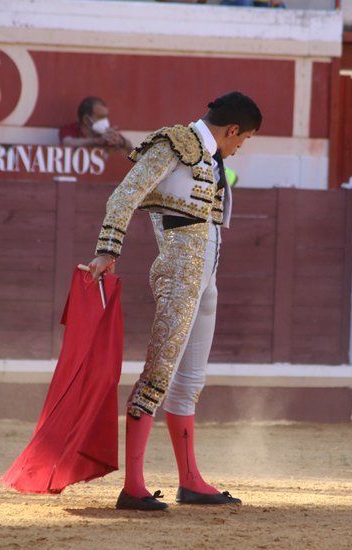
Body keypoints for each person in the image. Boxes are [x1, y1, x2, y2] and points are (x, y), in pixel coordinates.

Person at [85, 91, 262, 511]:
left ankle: (191, 481)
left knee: (188, 384)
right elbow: (124, 195)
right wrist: (108, 250)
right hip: (181, 275)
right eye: (245, 138)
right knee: (157, 378)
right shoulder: (175, 144)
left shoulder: (209, 159)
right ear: (233, 129)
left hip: (206, 279)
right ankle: (133, 487)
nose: (240, 147)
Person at [59, 96, 132, 151]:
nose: (105, 121)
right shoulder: (70, 129)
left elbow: (133, 152)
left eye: (106, 116)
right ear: (86, 120)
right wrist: (97, 141)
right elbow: (68, 142)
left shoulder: (107, 132)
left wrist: (121, 141)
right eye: (101, 117)